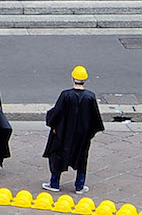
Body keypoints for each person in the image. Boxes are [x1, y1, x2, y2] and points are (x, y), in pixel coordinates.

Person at [42, 65, 104, 194]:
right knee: (81, 159)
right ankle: (79, 185)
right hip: (82, 136)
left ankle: (54, 183)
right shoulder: (90, 96)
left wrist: (52, 124)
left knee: (57, 157)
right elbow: (95, 118)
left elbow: (57, 113)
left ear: (73, 78)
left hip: (63, 134)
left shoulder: (66, 95)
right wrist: (89, 133)